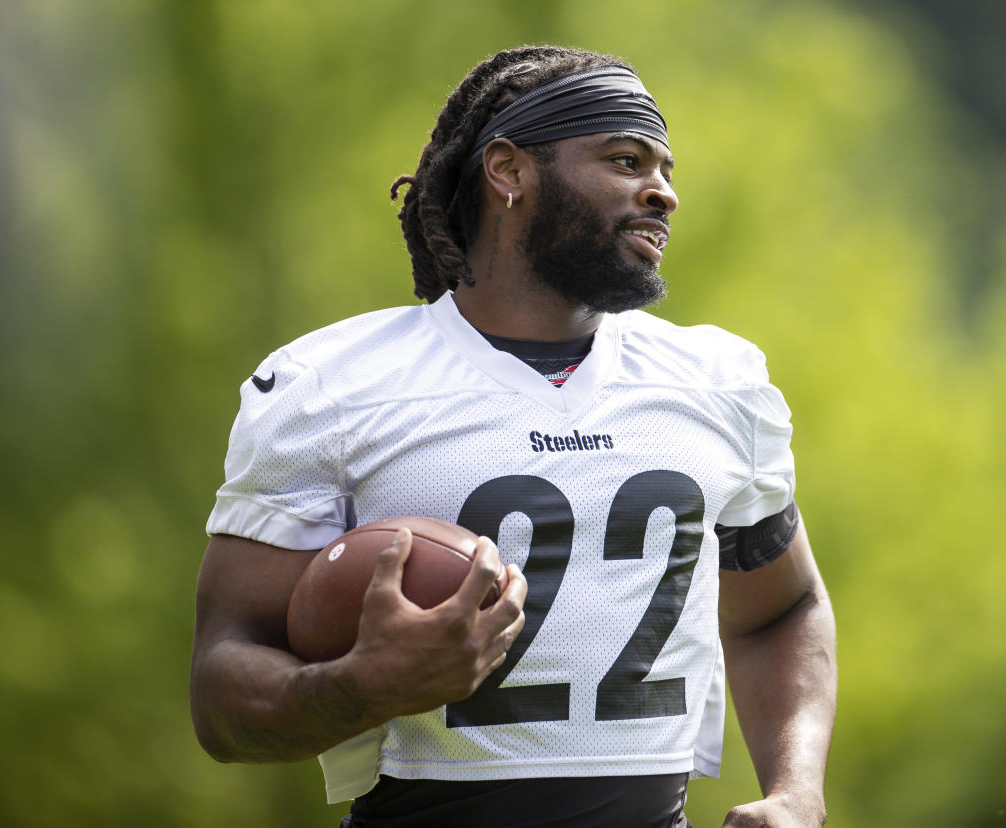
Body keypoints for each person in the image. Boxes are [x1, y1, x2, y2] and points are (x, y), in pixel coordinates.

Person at [189, 45, 836, 828]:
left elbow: (782, 608)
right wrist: (368, 684)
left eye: (666, 169)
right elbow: (221, 697)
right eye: (627, 160)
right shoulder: (331, 385)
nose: (662, 192)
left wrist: (797, 792)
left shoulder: (718, 380)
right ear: (508, 171)